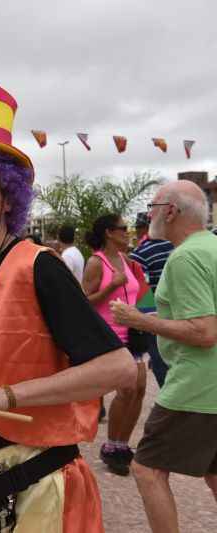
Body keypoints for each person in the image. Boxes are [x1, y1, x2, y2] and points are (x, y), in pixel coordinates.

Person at [0, 78, 136, 532]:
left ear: (7, 197)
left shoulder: (38, 267)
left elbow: (120, 369)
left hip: (43, 485)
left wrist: (5, 397)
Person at [109, 180, 217, 533]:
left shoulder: (184, 257)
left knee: (147, 468)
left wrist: (139, 320)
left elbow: (204, 332)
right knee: (214, 473)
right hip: (210, 386)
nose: (148, 215)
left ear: (170, 211)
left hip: (196, 385)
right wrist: (153, 319)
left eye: (152, 207)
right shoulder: (211, 247)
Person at [82, 213, 148, 476]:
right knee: (127, 389)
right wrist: (112, 287)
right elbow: (85, 301)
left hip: (132, 333)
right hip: (108, 336)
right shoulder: (95, 263)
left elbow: (138, 294)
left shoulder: (126, 260)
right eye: (123, 228)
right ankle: (112, 446)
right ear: (109, 232)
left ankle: (121, 443)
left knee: (139, 389)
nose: (127, 232)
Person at [129, 211, 174, 387]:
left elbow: (143, 294)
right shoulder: (175, 246)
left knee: (161, 364)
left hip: (157, 317)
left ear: (143, 229)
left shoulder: (140, 255)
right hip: (180, 313)